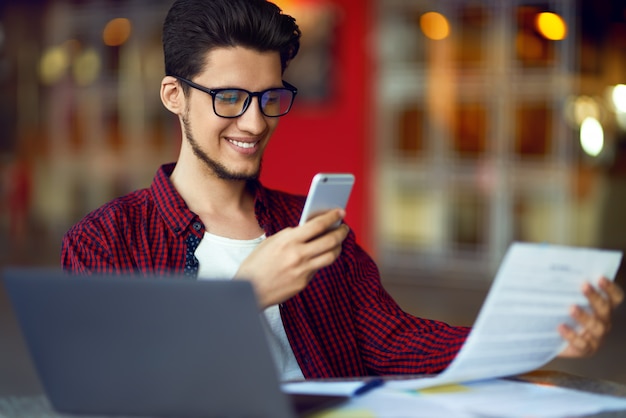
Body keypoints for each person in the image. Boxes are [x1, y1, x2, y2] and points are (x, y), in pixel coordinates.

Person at [62, 0, 624, 381]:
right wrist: (242, 296)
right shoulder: (105, 242)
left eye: (270, 98)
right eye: (229, 98)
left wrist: (536, 338)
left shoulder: (313, 228)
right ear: (173, 95)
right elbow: (103, 382)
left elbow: (397, 342)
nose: (255, 124)